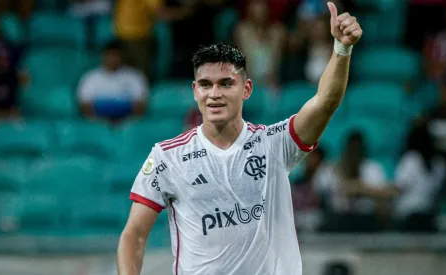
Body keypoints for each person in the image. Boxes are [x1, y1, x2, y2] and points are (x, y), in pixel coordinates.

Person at [117, 2, 362, 274]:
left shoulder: (274, 144)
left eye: (226, 84)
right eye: (206, 85)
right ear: (195, 91)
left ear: (246, 89)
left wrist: (341, 48)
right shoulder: (167, 157)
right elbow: (134, 235)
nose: (215, 93)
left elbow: (325, 101)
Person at [77, 40, 149, 123]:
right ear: (103, 56)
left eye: (115, 55)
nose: (112, 59)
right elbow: (85, 106)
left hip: (128, 125)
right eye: (109, 55)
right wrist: (102, 123)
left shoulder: (135, 76)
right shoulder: (90, 77)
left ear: (122, 56)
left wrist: (124, 123)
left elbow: (140, 106)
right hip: (98, 124)